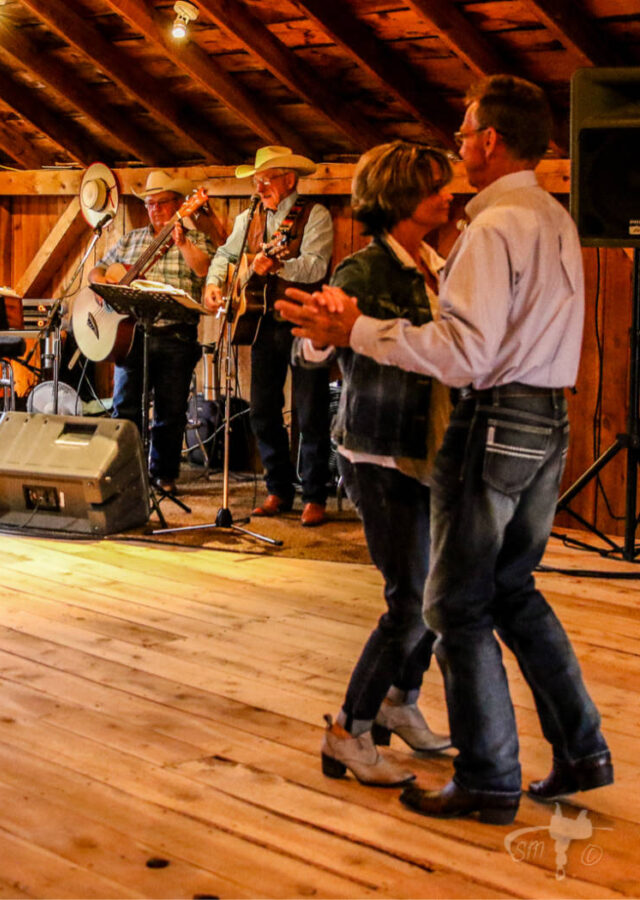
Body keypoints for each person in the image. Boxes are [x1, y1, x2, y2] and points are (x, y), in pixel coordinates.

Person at [279, 75, 611, 825]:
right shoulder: (553, 216)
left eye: (463, 134)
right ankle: (582, 750)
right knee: (512, 593)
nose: (459, 148)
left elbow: (465, 354)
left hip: (492, 421)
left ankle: (490, 776)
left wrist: (355, 330)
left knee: (454, 605)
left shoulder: (493, 228)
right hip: (545, 420)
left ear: (490, 141)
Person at [301, 142, 455, 788]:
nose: (450, 195)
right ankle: (350, 729)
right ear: (401, 199)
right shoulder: (364, 272)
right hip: (378, 450)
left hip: (428, 449)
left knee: (434, 597)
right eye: (436, 187)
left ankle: (400, 699)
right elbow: (312, 352)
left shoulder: (435, 264)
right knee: (410, 603)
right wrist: (317, 331)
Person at [203, 146, 334, 527]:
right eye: (257, 180)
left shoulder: (315, 215)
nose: (260, 186)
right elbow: (225, 256)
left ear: (289, 180)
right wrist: (215, 284)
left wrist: (279, 265)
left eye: (267, 179)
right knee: (263, 409)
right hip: (262, 323)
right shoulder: (250, 218)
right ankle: (278, 489)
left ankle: (314, 495)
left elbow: (315, 266)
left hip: (304, 322)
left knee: (311, 411)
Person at [88, 170, 216, 491]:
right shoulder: (131, 239)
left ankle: (164, 475)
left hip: (176, 335)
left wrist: (183, 241)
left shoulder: (197, 239)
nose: (154, 209)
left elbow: (203, 270)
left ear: (179, 205)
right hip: (132, 336)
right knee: (124, 407)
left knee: (170, 411)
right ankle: (125, 472)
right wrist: (103, 282)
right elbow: (97, 269)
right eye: (149, 203)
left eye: (160, 203)